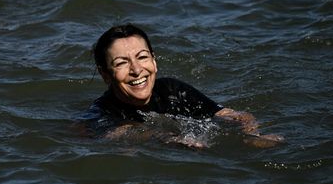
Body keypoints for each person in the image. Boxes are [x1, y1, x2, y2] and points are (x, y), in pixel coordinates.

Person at [88, 24, 283, 148]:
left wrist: (252, 134)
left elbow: (229, 114)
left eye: (142, 57)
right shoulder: (103, 112)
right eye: (122, 63)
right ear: (105, 74)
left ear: (154, 62)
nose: (137, 70)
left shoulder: (173, 91)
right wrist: (162, 137)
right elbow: (114, 136)